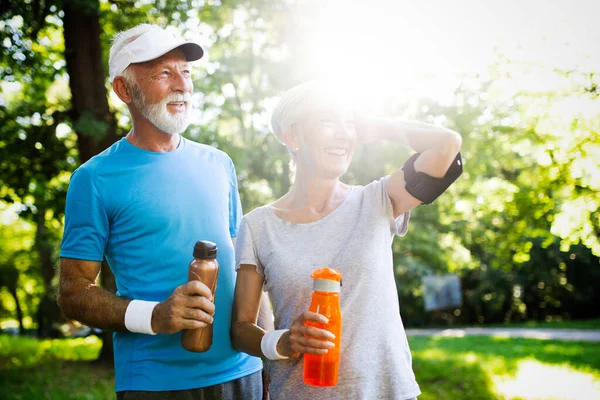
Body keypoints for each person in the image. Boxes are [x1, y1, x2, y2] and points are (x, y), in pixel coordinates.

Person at [58, 24, 267, 399]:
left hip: (242, 372)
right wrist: (154, 317)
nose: (182, 85)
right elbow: (73, 293)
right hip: (156, 383)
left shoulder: (220, 164)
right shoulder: (93, 178)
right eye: (164, 73)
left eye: (186, 72)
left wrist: (267, 359)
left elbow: (244, 268)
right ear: (124, 89)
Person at [231, 81, 463, 399]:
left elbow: (447, 145)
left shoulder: (379, 200)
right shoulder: (258, 226)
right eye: (328, 121)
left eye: (349, 123)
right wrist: (281, 342)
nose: (344, 134)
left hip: (386, 391)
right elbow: (241, 328)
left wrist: (377, 126)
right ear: (292, 137)